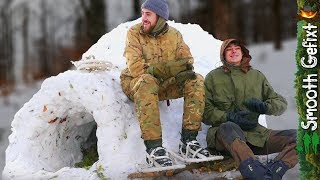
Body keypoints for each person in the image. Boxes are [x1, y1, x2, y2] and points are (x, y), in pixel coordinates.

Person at [120, 0, 209, 167]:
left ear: (160, 17)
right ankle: (154, 149)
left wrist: (172, 71)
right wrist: (168, 68)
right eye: (142, 13)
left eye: (148, 14)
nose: (143, 18)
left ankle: (189, 142)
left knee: (195, 79)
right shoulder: (134, 33)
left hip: (165, 84)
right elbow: (136, 68)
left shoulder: (174, 35)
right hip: (136, 83)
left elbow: (187, 62)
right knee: (147, 80)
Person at [203, 39, 298, 179]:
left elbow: (280, 103)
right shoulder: (212, 77)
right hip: (226, 138)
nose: (234, 51)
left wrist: (265, 107)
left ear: (243, 53)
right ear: (223, 55)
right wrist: (229, 117)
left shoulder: (256, 76)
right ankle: (256, 174)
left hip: (256, 136)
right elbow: (205, 112)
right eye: (229, 49)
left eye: (237, 48)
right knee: (228, 127)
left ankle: (274, 172)